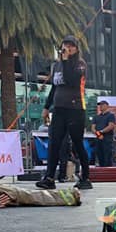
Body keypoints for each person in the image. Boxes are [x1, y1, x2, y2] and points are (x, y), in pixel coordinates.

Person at [36, 36, 92, 190]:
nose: (68, 48)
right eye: (66, 45)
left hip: (75, 109)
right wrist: (46, 107)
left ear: (76, 49)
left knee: (77, 143)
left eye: (71, 46)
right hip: (59, 109)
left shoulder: (80, 65)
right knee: (54, 143)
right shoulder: (57, 66)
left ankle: (85, 177)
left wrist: (67, 60)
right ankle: (49, 177)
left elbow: (72, 80)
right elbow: (55, 87)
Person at [91, 99, 116, 167]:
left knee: (107, 155)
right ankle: (101, 170)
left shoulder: (111, 115)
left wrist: (101, 132)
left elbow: (111, 126)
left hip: (107, 138)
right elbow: (93, 127)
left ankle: (108, 171)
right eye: (100, 105)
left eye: (102, 105)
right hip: (98, 138)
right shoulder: (96, 116)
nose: (100, 106)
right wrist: (98, 134)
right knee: (99, 155)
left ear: (107, 106)